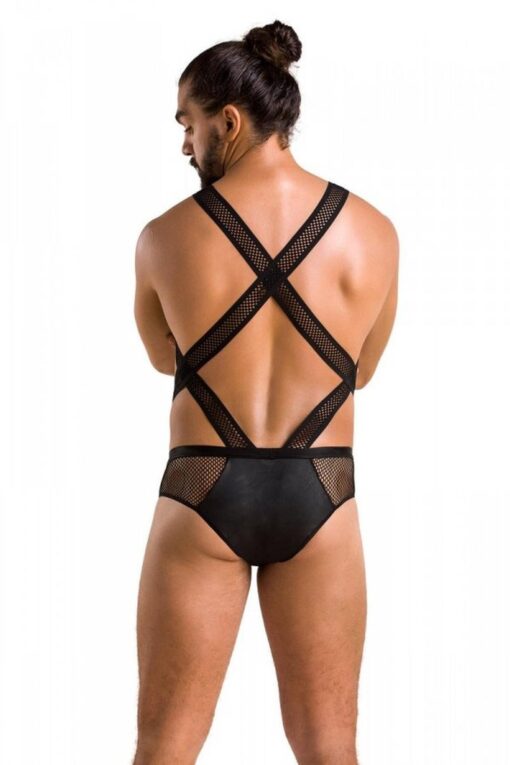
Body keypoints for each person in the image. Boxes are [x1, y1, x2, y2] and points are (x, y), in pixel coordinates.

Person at [132, 19, 399, 765]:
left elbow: (163, 356)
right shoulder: (374, 232)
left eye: (188, 124)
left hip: (202, 485)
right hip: (323, 491)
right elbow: (361, 370)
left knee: (164, 748)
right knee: (331, 748)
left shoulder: (163, 237)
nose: (186, 145)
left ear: (229, 121)